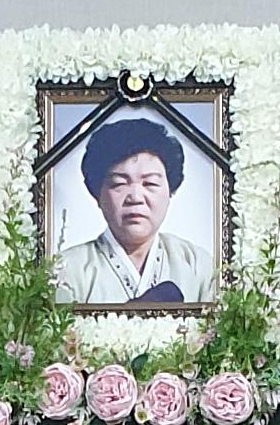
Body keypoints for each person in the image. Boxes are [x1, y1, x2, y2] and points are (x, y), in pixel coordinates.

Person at [49, 114, 216, 304]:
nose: (135, 197)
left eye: (150, 183)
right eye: (119, 183)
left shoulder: (197, 264)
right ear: (97, 193)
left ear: (170, 191)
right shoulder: (66, 271)